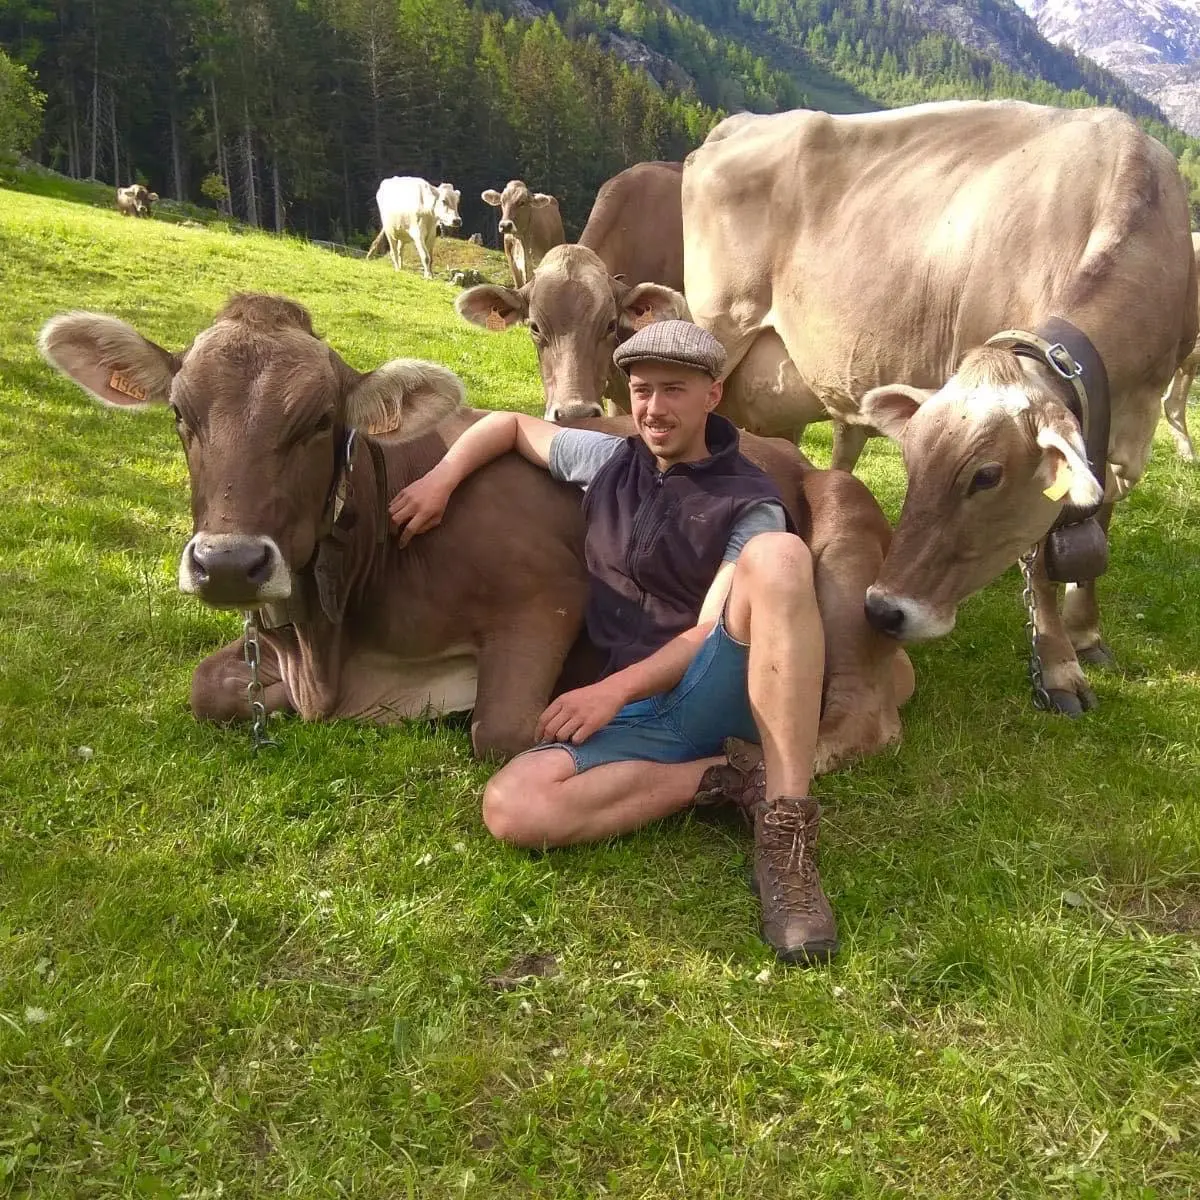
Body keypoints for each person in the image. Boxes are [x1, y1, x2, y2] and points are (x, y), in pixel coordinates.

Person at [389, 320, 835, 964]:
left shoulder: (748, 500)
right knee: (513, 808)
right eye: (642, 390)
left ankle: (787, 834)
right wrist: (441, 479)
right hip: (639, 712)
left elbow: (706, 631)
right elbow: (509, 426)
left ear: (713, 395)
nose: (654, 408)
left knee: (780, 554)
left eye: (674, 390)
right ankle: (728, 777)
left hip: (715, 685)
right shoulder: (609, 460)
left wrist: (609, 691)